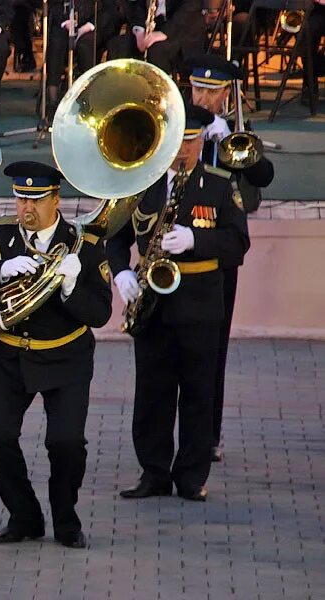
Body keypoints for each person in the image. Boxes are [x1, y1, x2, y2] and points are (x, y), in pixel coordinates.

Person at [0, 161, 111, 549]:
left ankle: (66, 520)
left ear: (56, 199)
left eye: (36, 199)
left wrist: (71, 286)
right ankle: (24, 516)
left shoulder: (83, 244)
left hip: (65, 358)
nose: (26, 208)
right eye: (21, 198)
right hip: (6, 357)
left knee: (66, 444)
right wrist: (0, 269)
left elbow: (101, 313)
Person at [109, 105, 250, 502]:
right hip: (153, 305)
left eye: (192, 141)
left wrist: (196, 240)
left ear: (202, 140)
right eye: (178, 141)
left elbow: (238, 242)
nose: (184, 150)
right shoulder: (141, 184)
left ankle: (191, 475)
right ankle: (153, 472)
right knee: (152, 393)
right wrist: (121, 273)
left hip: (201, 302)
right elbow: (115, 237)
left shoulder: (221, 186)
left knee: (197, 392)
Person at [184, 54, 275, 462]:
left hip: (218, 255)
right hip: (172, 249)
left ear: (226, 94)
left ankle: (208, 435)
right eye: (196, 88)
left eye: (211, 91)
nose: (202, 97)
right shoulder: (175, 127)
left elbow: (263, 178)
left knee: (213, 348)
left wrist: (227, 143)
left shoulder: (235, 133)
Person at [43, 0, 123, 116]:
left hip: (96, 23)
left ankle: (89, 99)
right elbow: (54, 4)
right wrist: (65, 21)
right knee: (56, 42)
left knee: (85, 45)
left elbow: (110, 9)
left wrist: (89, 26)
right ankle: (52, 101)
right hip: (65, 20)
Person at [106, 0, 206, 75]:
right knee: (117, 45)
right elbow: (138, 6)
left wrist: (164, 33)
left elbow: (191, 6)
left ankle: (158, 96)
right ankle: (123, 94)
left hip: (182, 29)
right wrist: (139, 32)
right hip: (152, 26)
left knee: (156, 49)